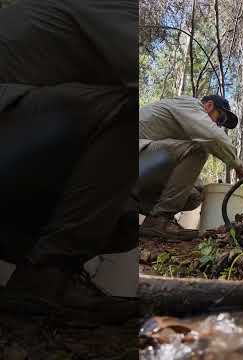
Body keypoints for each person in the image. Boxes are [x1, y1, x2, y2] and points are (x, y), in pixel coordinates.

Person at [0, 0, 138, 321]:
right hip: (11, 123)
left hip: (21, 136)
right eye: (220, 118)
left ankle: (56, 273)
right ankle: (44, 274)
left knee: (124, 221)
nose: (218, 126)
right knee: (131, 110)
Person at [137, 95, 243, 240]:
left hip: (143, 166)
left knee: (195, 195)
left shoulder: (182, 129)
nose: (218, 125)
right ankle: (159, 219)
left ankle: (152, 217)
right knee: (200, 149)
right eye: (221, 119)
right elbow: (213, 137)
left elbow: (182, 175)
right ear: (209, 106)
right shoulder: (191, 104)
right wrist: (239, 166)